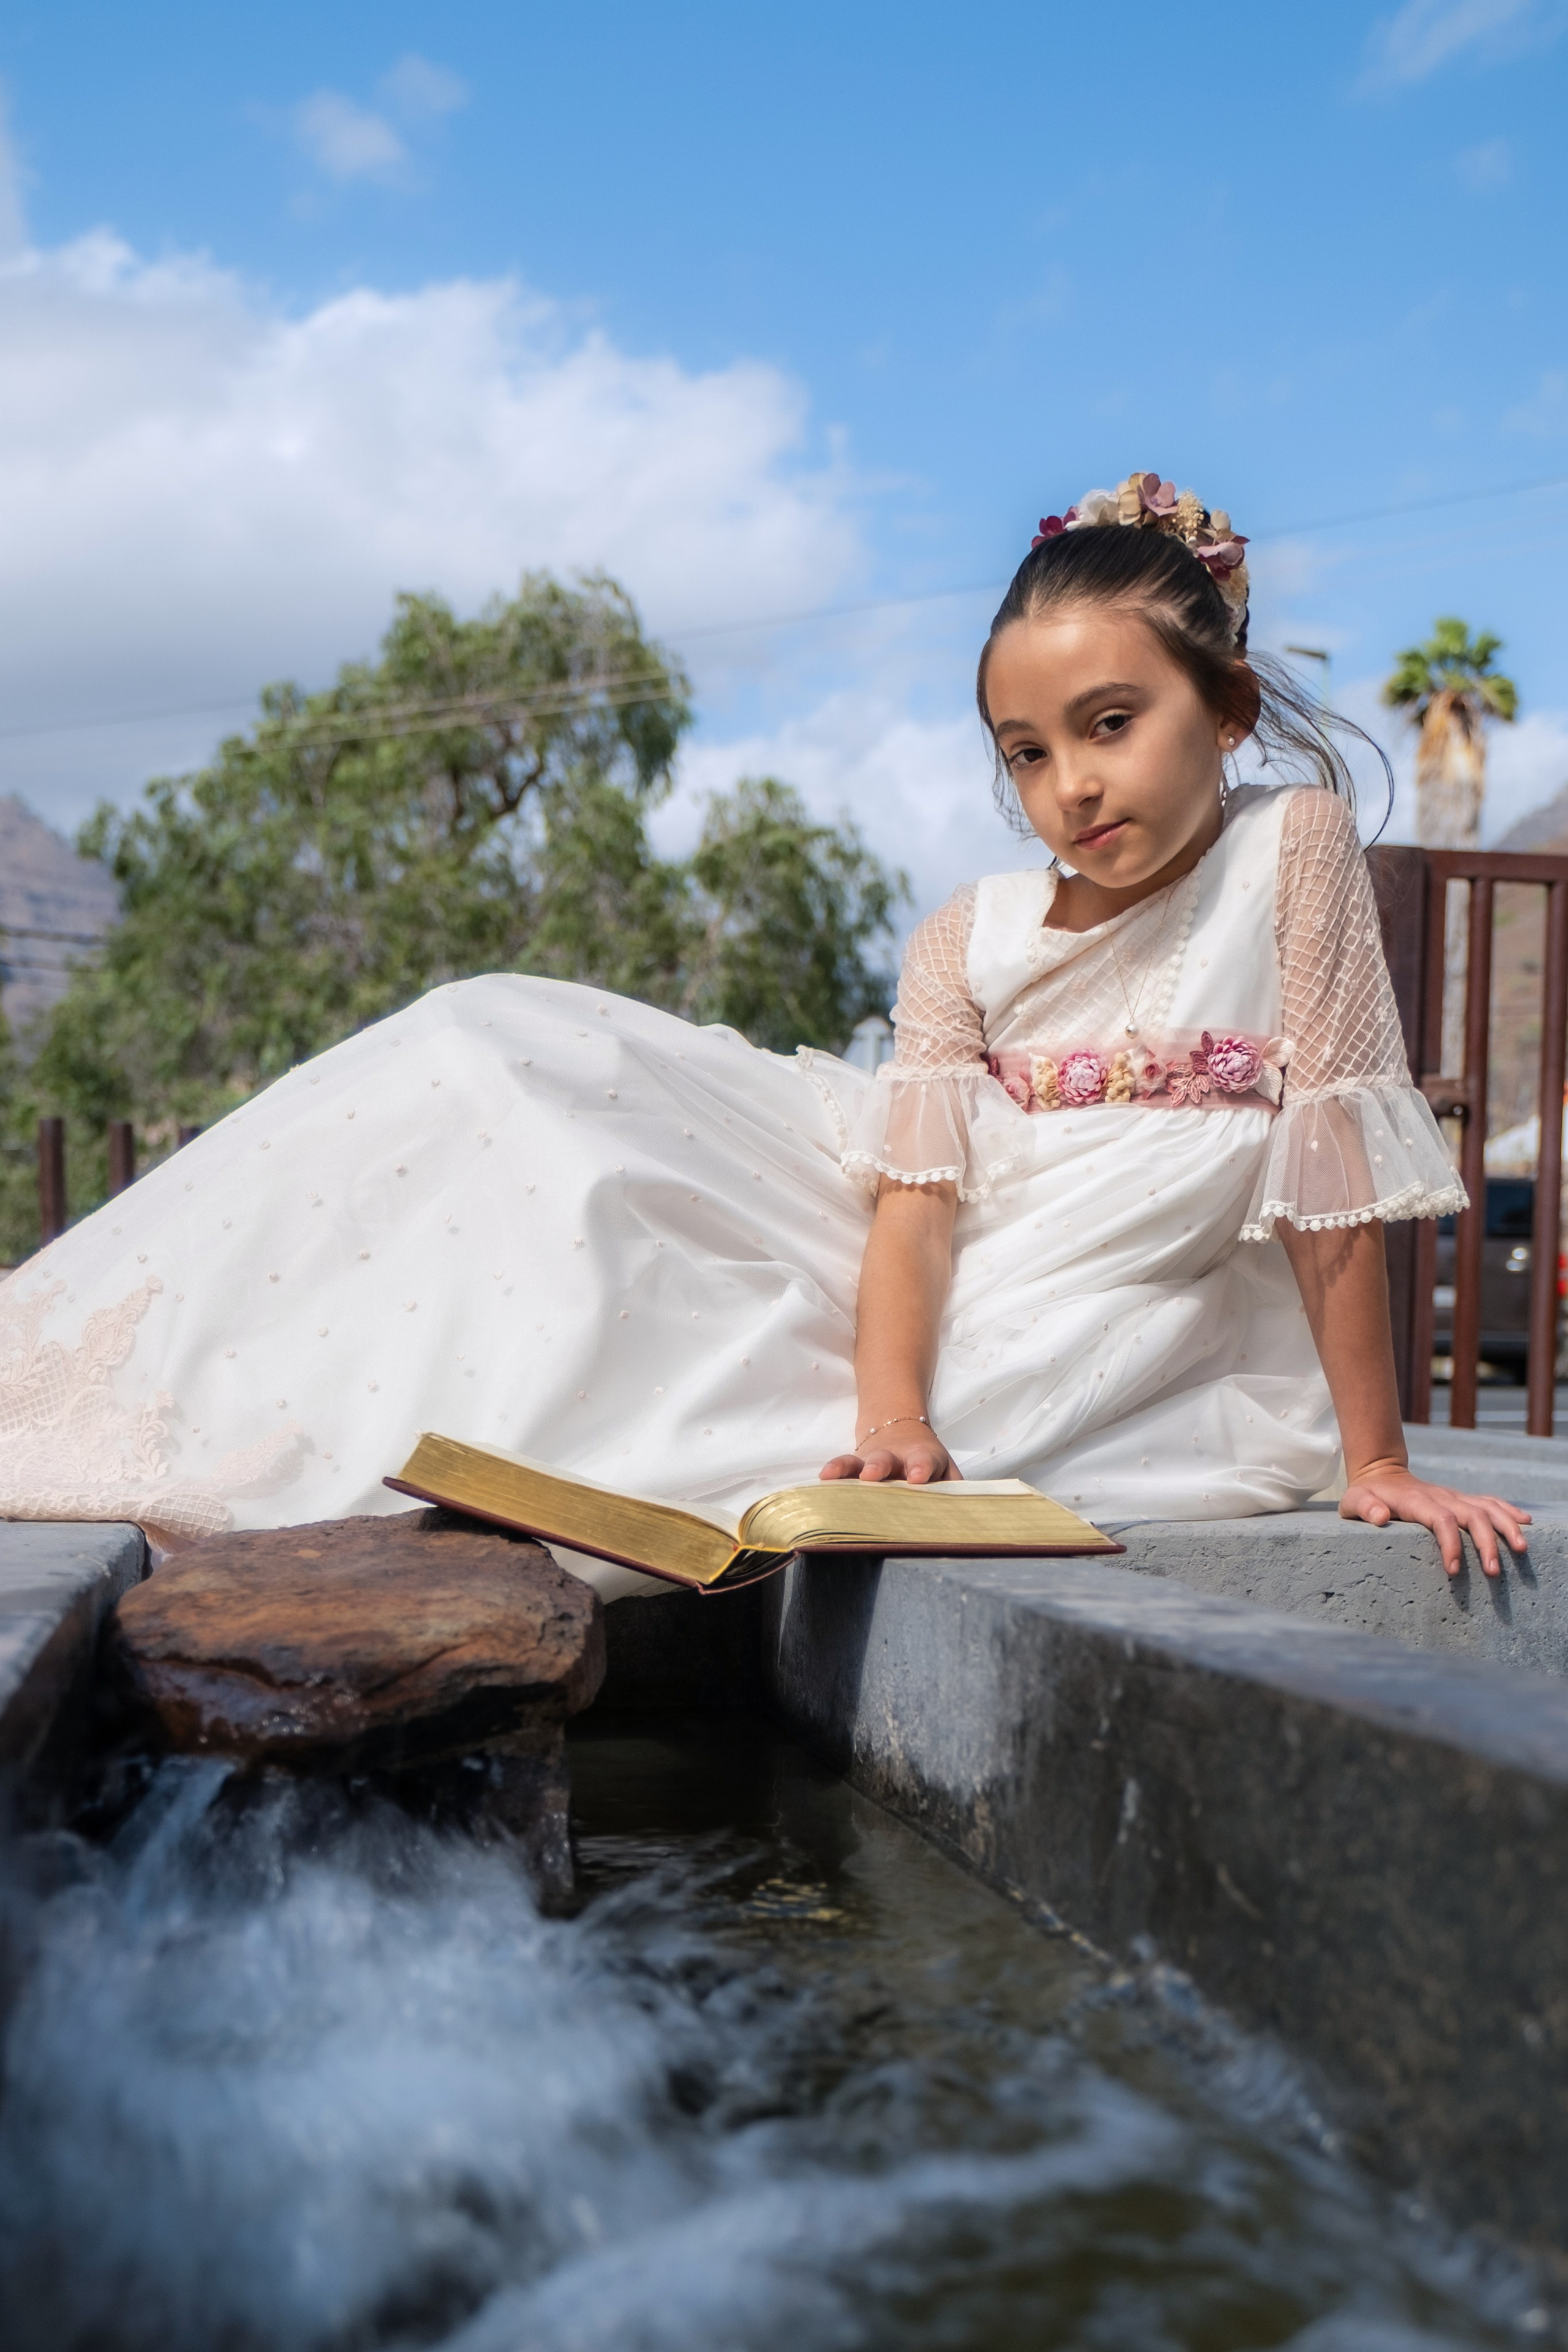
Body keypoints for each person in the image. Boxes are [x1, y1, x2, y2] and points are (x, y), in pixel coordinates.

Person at [0, 472, 1528, 1593]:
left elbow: (1327, 1180)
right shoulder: (969, 933)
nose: (1068, 784)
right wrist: (890, 1413)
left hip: (1088, 1305)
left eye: (1109, 724)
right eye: (1023, 752)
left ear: (1229, 707)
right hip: (893, 1243)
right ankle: (86, 1372)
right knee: (489, 1044)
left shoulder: (1288, 849)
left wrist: (1375, 1458)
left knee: (684, 1366)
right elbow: (911, 1212)